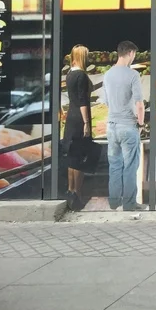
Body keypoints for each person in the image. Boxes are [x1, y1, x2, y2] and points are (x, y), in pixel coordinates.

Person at [102, 40, 146, 212]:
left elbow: (106, 102)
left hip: (111, 126)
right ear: (130, 54)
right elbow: (140, 104)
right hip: (128, 126)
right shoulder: (133, 75)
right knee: (130, 166)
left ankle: (114, 202)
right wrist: (141, 124)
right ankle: (129, 204)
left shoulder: (107, 75)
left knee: (114, 165)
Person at [63, 45, 94, 211]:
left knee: (72, 156)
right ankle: (78, 194)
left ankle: (70, 190)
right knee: (81, 157)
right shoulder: (81, 75)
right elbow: (83, 101)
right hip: (79, 119)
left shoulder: (69, 74)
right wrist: (86, 123)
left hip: (70, 117)